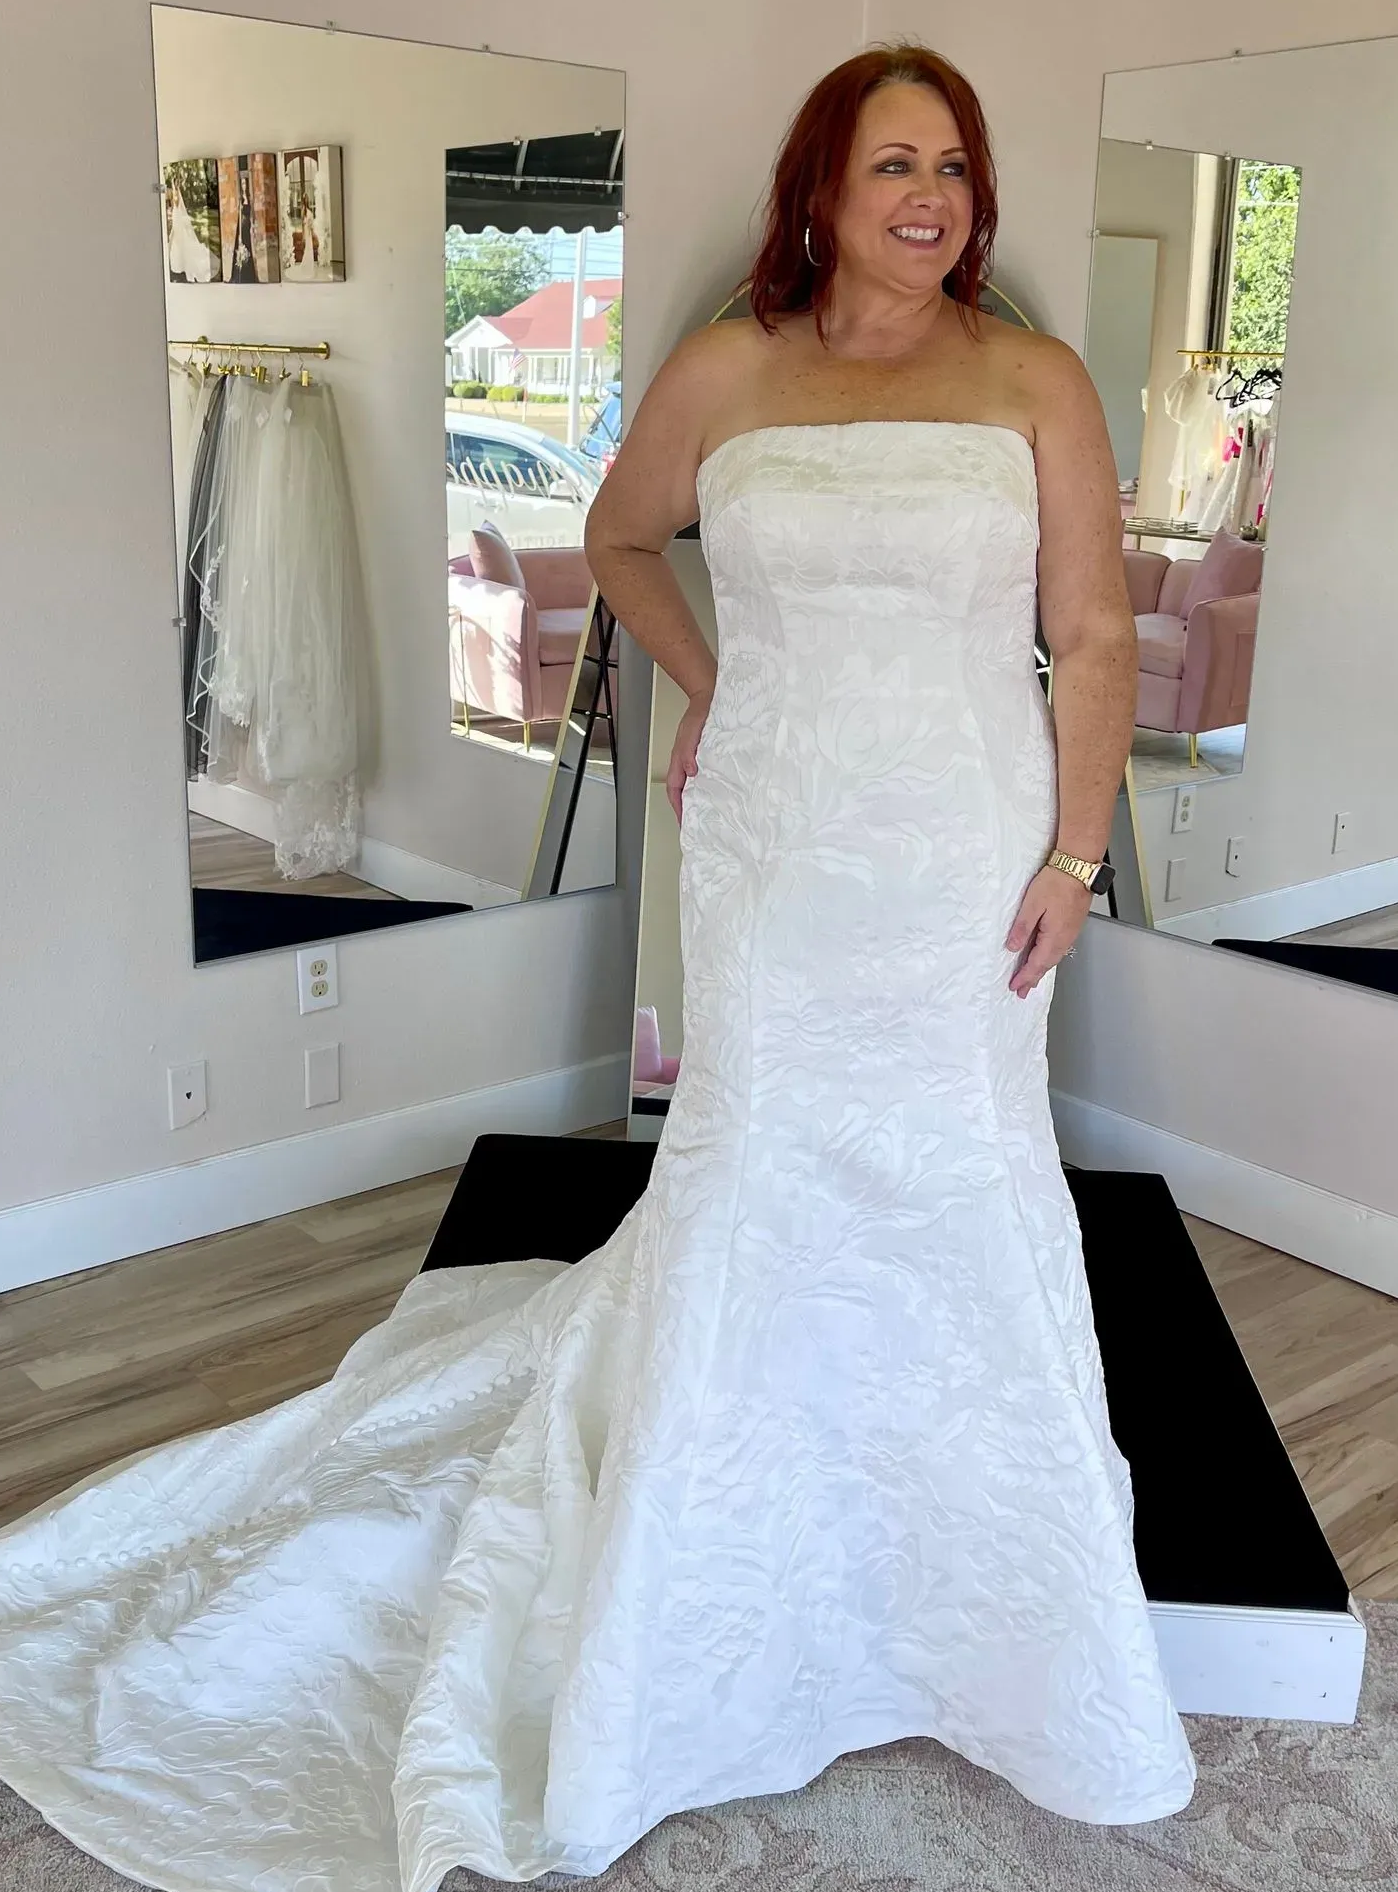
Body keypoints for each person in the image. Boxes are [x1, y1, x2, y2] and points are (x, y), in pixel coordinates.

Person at [0, 41, 1196, 1892]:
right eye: (894, 162)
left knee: (963, 1172)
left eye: (953, 166)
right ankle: (709, 1581)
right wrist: (713, 679)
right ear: (822, 185)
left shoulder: (1031, 378)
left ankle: (975, 1602)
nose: (931, 197)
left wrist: (1075, 846)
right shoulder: (731, 366)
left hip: (968, 847)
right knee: (761, 1168)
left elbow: (1097, 629)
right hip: (780, 842)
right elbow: (621, 537)